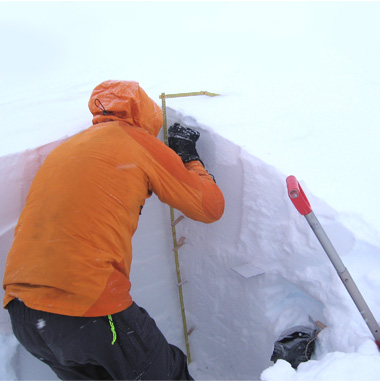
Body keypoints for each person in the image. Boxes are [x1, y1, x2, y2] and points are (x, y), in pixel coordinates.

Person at [3, 80, 225, 380]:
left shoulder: (69, 148)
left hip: (24, 316)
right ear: (146, 117)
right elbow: (209, 207)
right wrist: (187, 158)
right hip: (85, 306)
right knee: (167, 373)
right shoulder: (136, 141)